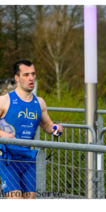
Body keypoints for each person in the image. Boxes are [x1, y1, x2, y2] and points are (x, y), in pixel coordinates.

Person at [0, 60, 63, 199]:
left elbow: (46, 124)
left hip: (28, 160)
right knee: (16, 200)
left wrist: (55, 128)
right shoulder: (4, 100)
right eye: (26, 74)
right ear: (17, 78)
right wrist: (4, 135)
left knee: (30, 201)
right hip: (7, 159)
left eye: (33, 74)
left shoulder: (39, 102)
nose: (31, 78)